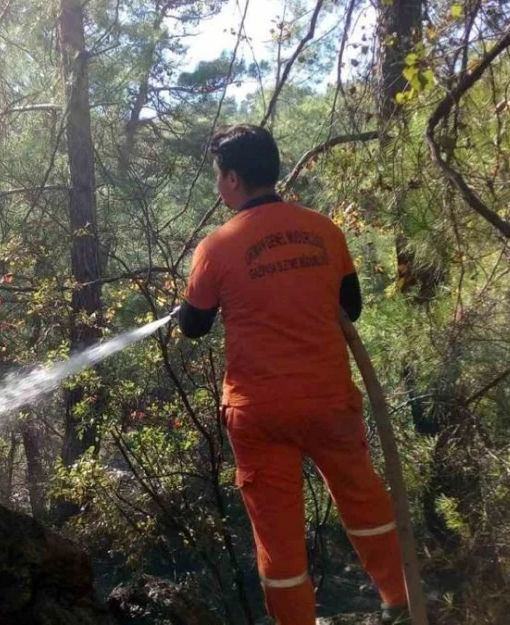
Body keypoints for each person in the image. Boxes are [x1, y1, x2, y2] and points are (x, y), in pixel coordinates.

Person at [178, 124, 411, 625]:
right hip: (329, 401)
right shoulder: (324, 230)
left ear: (234, 179)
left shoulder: (216, 248)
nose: (217, 186)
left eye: (218, 176)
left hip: (258, 413)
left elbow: (193, 326)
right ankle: (401, 602)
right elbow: (351, 306)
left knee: (277, 536)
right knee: (363, 501)